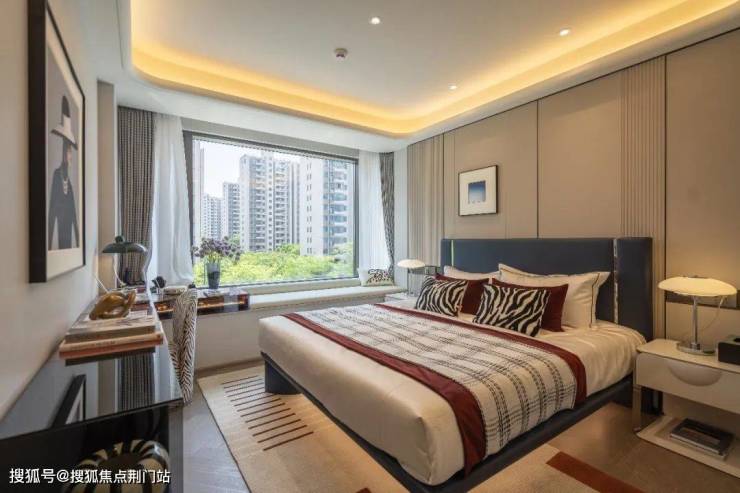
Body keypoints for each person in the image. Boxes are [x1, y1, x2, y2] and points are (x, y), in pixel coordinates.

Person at [48, 95, 80, 250]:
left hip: (68, 238)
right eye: (69, 152)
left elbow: (74, 216)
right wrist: (48, 245)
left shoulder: (70, 185)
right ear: (63, 153)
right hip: (60, 235)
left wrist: (79, 241)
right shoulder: (56, 176)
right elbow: (51, 213)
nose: (71, 156)